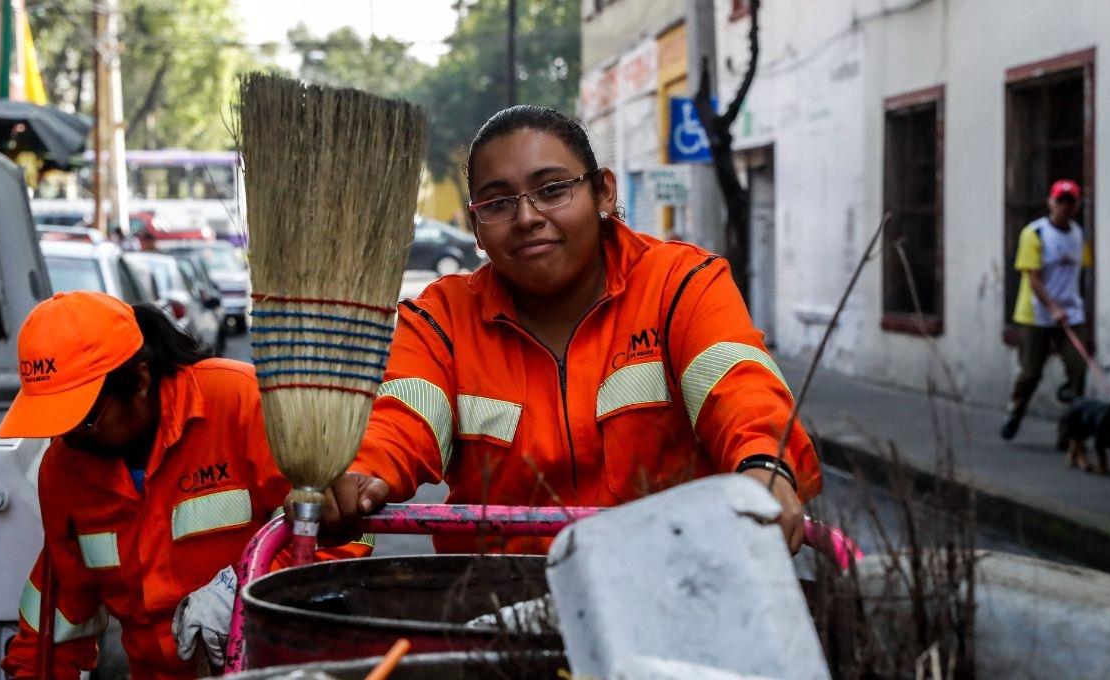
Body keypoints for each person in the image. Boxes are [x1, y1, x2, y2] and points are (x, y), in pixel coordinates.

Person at [314, 105, 821, 553]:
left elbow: (740, 388)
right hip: (499, 614)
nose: (527, 217)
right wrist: (362, 471)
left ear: (602, 192)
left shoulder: (679, 284)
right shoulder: (440, 320)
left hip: (677, 592)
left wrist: (765, 466)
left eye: (552, 190)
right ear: (476, 229)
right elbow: (399, 422)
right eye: (497, 203)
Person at [0, 291, 369, 679]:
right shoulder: (64, 468)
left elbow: (345, 531)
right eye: (57, 425)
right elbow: (58, 616)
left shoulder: (242, 404)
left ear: (139, 380)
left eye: (84, 420)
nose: (70, 439)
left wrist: (247, 591)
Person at [1001, 179, 1091, 440]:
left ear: (1076, 206)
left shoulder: (1078, 234)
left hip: (1070, 313)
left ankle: (1069, 432)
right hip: (1036, 314)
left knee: (1078, 370)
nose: (1065, 206)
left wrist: (1073, 306)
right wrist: (1052, 308)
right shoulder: (1035, 233)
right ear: (1051, 203)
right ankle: (1015, 411)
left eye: (1070, 201)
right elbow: (1033, 277)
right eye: (1060, 201)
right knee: (1030, 372)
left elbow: (1080, 272)